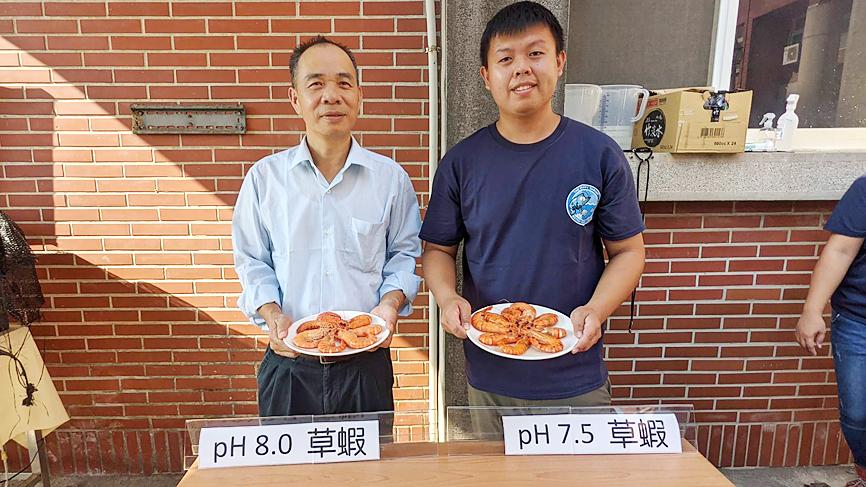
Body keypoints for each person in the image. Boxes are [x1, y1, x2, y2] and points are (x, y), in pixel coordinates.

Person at [419, 1, 646, 432]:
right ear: (486, 76)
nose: (522, 68)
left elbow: (629, 252)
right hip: (491, 373)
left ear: (559, 62)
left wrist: (596, 310)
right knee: (492, 468)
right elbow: (437, 250)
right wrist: (447, 299)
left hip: (574, 369)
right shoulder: (462, 163)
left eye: (535, 53)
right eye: (505, 59)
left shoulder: (598, 154)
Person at [232, 36, 422, 418]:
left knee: (371, 459)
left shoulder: (391, 180)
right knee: (290, 460)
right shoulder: (264, 180)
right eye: (316, 84)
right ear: (295, 99)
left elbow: (404, 254)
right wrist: (272, 316)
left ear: (359, 96)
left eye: (344, 83)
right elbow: (252, 261)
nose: (331, 96)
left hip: (365, 366)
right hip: (289, 365)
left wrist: (390, 304)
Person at [796, 174, 866, 487]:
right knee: (858, 413)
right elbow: (840, 251)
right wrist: (812, 310)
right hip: (858, 318)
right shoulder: (865, 189)